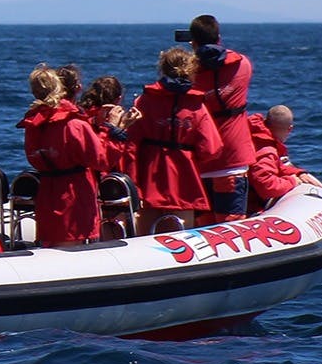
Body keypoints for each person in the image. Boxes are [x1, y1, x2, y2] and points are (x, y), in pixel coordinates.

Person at [128, 47, 223, 235]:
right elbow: (211, 149)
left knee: (144, 237)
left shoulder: (144, 101)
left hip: (148, 178)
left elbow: (130, 144)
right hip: (184, 179)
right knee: (181, 237)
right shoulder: (196, 106)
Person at [17, 65, 106, 247]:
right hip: (75, 194)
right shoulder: (74, 124)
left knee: (50, 243)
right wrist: (110, 132)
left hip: (48, 193)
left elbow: (32, 157)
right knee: (74, 244)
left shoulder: (33, 125)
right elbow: (100, 159)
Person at [188, 14, 256, 224]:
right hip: (233, 159)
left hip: (200, 162)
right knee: (230, 225)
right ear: (219, 38)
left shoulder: (188, 74)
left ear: (193, 42)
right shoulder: (242, 65)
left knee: (202, 227)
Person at [248, 105, 321, 211]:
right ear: (290, 129)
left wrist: (298, 173)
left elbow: (277, 165)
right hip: (248, 207)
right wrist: (292, 181)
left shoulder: (255, 136)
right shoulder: (267, 151)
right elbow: (267, 187)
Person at [77, 75, 140, 176]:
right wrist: (119, 129)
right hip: (105, 181)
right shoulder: (105, 125)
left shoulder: (80, 118)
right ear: (118, 99)